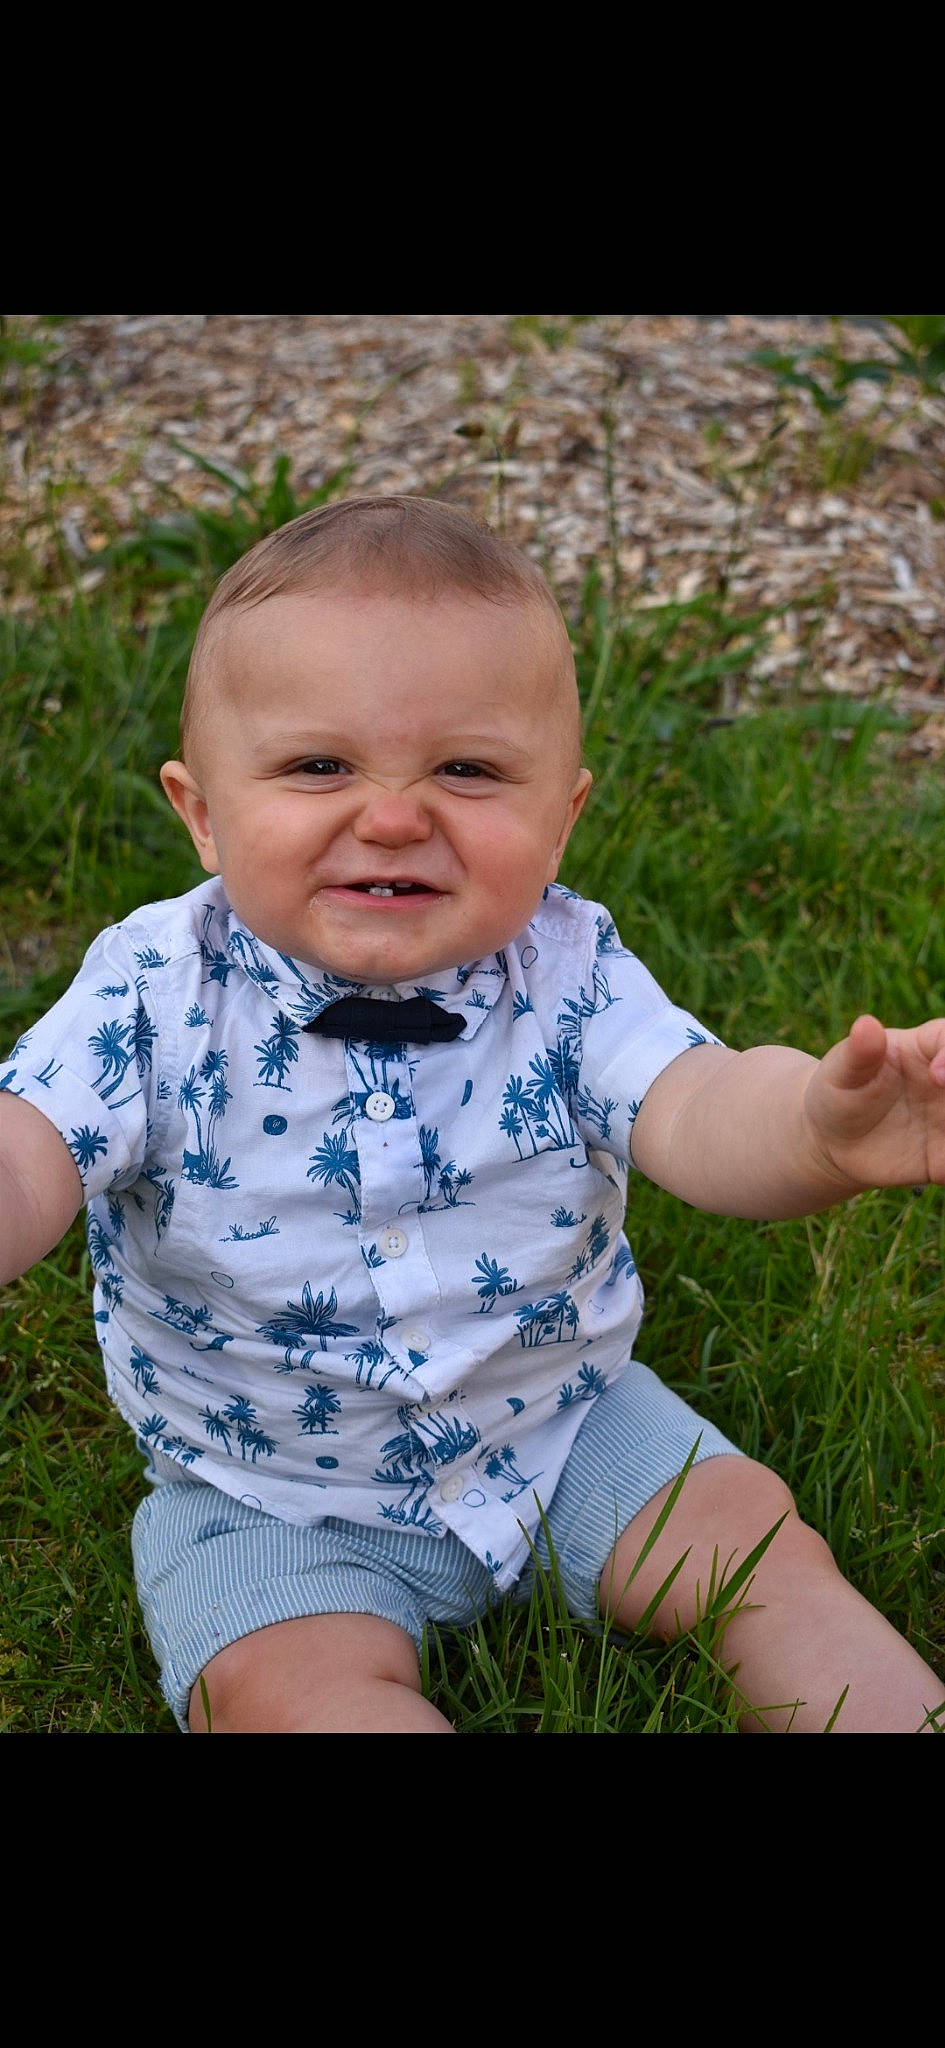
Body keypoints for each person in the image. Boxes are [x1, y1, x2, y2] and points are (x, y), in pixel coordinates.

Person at [2, 494, 943, 1737]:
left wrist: (817, 1132)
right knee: (300, 1697)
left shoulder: (568, 970)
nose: (393, 814)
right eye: (318, 765)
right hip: (272, 1491)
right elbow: (31, 1151)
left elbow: (698, 1105)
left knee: (767, 1562)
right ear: (203, 810)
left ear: (564, 816)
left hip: (564, 1418)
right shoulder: (151, 990)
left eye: (469, 769)